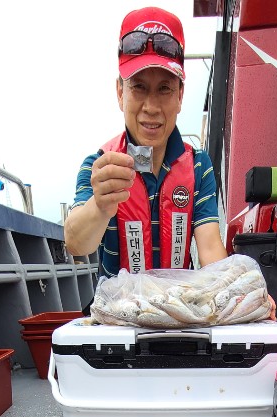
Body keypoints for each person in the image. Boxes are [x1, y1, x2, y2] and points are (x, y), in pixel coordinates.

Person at [64, 6, 228, 276]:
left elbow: (210, 250)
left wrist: (240, 291)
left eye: (164, 89)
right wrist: (100, 206)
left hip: (178, 301)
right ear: (120, 93)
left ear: (180, 96)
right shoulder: (99, 167)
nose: (151, 107)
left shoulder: (199, 166)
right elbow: (76, 243)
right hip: (118, 303)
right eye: (139, 87)